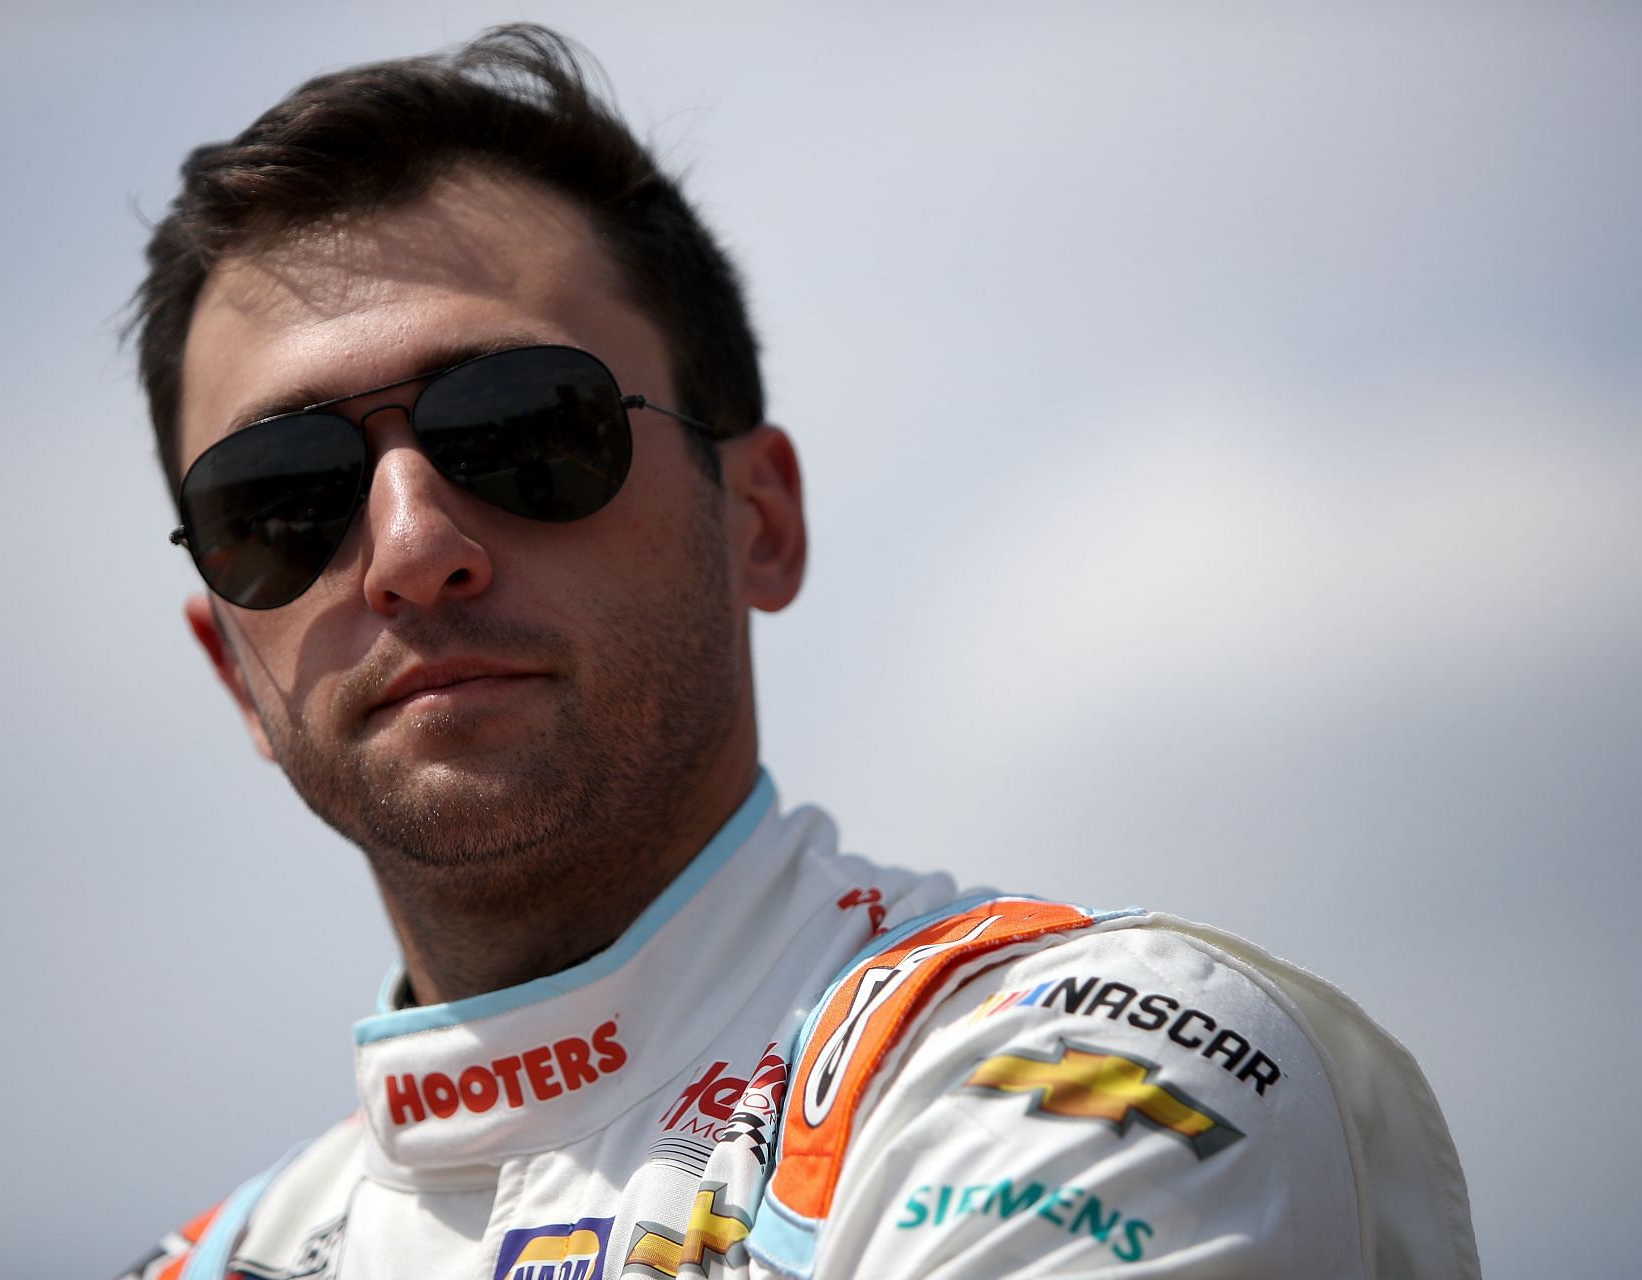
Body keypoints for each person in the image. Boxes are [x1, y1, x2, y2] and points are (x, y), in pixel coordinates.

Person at [119, 24, 1478, 1280]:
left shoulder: (1101, 1064)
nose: (412, 544)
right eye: (282, 498)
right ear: (231, 666)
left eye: (524, 426)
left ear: (761, 519)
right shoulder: (210, 1258)